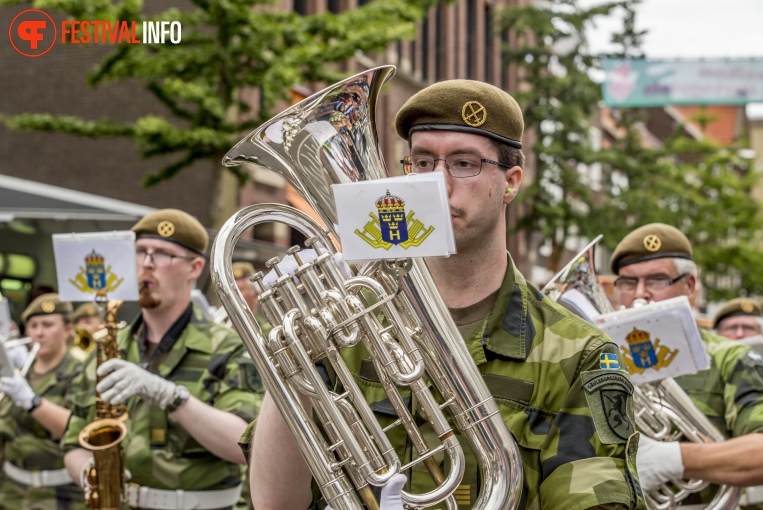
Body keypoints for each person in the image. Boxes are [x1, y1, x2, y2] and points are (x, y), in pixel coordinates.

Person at [246, 80, 645, 509]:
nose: (437, 182)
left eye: (464, 163)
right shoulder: (345, 326)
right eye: (421, 162)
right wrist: (298, 351)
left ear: (510, 183)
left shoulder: (578, 351)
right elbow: (275, 502)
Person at [61, 209, 263, 510]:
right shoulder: (107, 347)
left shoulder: (231, 347)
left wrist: (171, 397)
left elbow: (247, 446)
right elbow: (73, 442)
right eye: (140, 251)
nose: (146, 263)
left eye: (164, 254)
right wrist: (91, 475)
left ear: (194, 268)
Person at [610, 223, 763, 508]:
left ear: (690, 285)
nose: (641, 294)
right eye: (628, 282)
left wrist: (673, 460)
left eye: (657, 280)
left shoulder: (730, 357)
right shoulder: (599, 360)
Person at [0, 294, 85, 509]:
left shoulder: (81, 372)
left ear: (67, 330)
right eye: (33, 325)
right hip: (12, 491)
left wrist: (30, 401)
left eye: (47, 325)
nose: (39, 332)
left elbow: (79, 431)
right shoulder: (19, 372)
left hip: (60, 496)